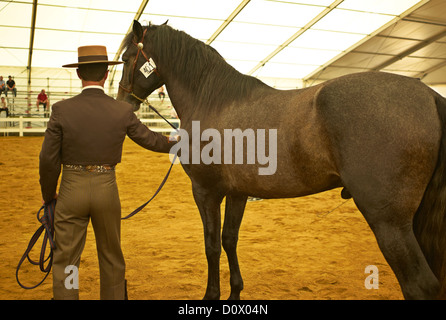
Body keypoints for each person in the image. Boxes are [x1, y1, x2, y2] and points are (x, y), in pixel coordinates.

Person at [39, 45, 176, 300]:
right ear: (106, 75)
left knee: (67, 258)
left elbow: (48, 160)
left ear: (79, 74)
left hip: (71, 190)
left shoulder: (61, 110)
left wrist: (49, 196)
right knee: (111, 257)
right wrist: (179, 142)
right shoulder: (122, 110)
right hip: (106, 188)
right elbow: (151, 140)